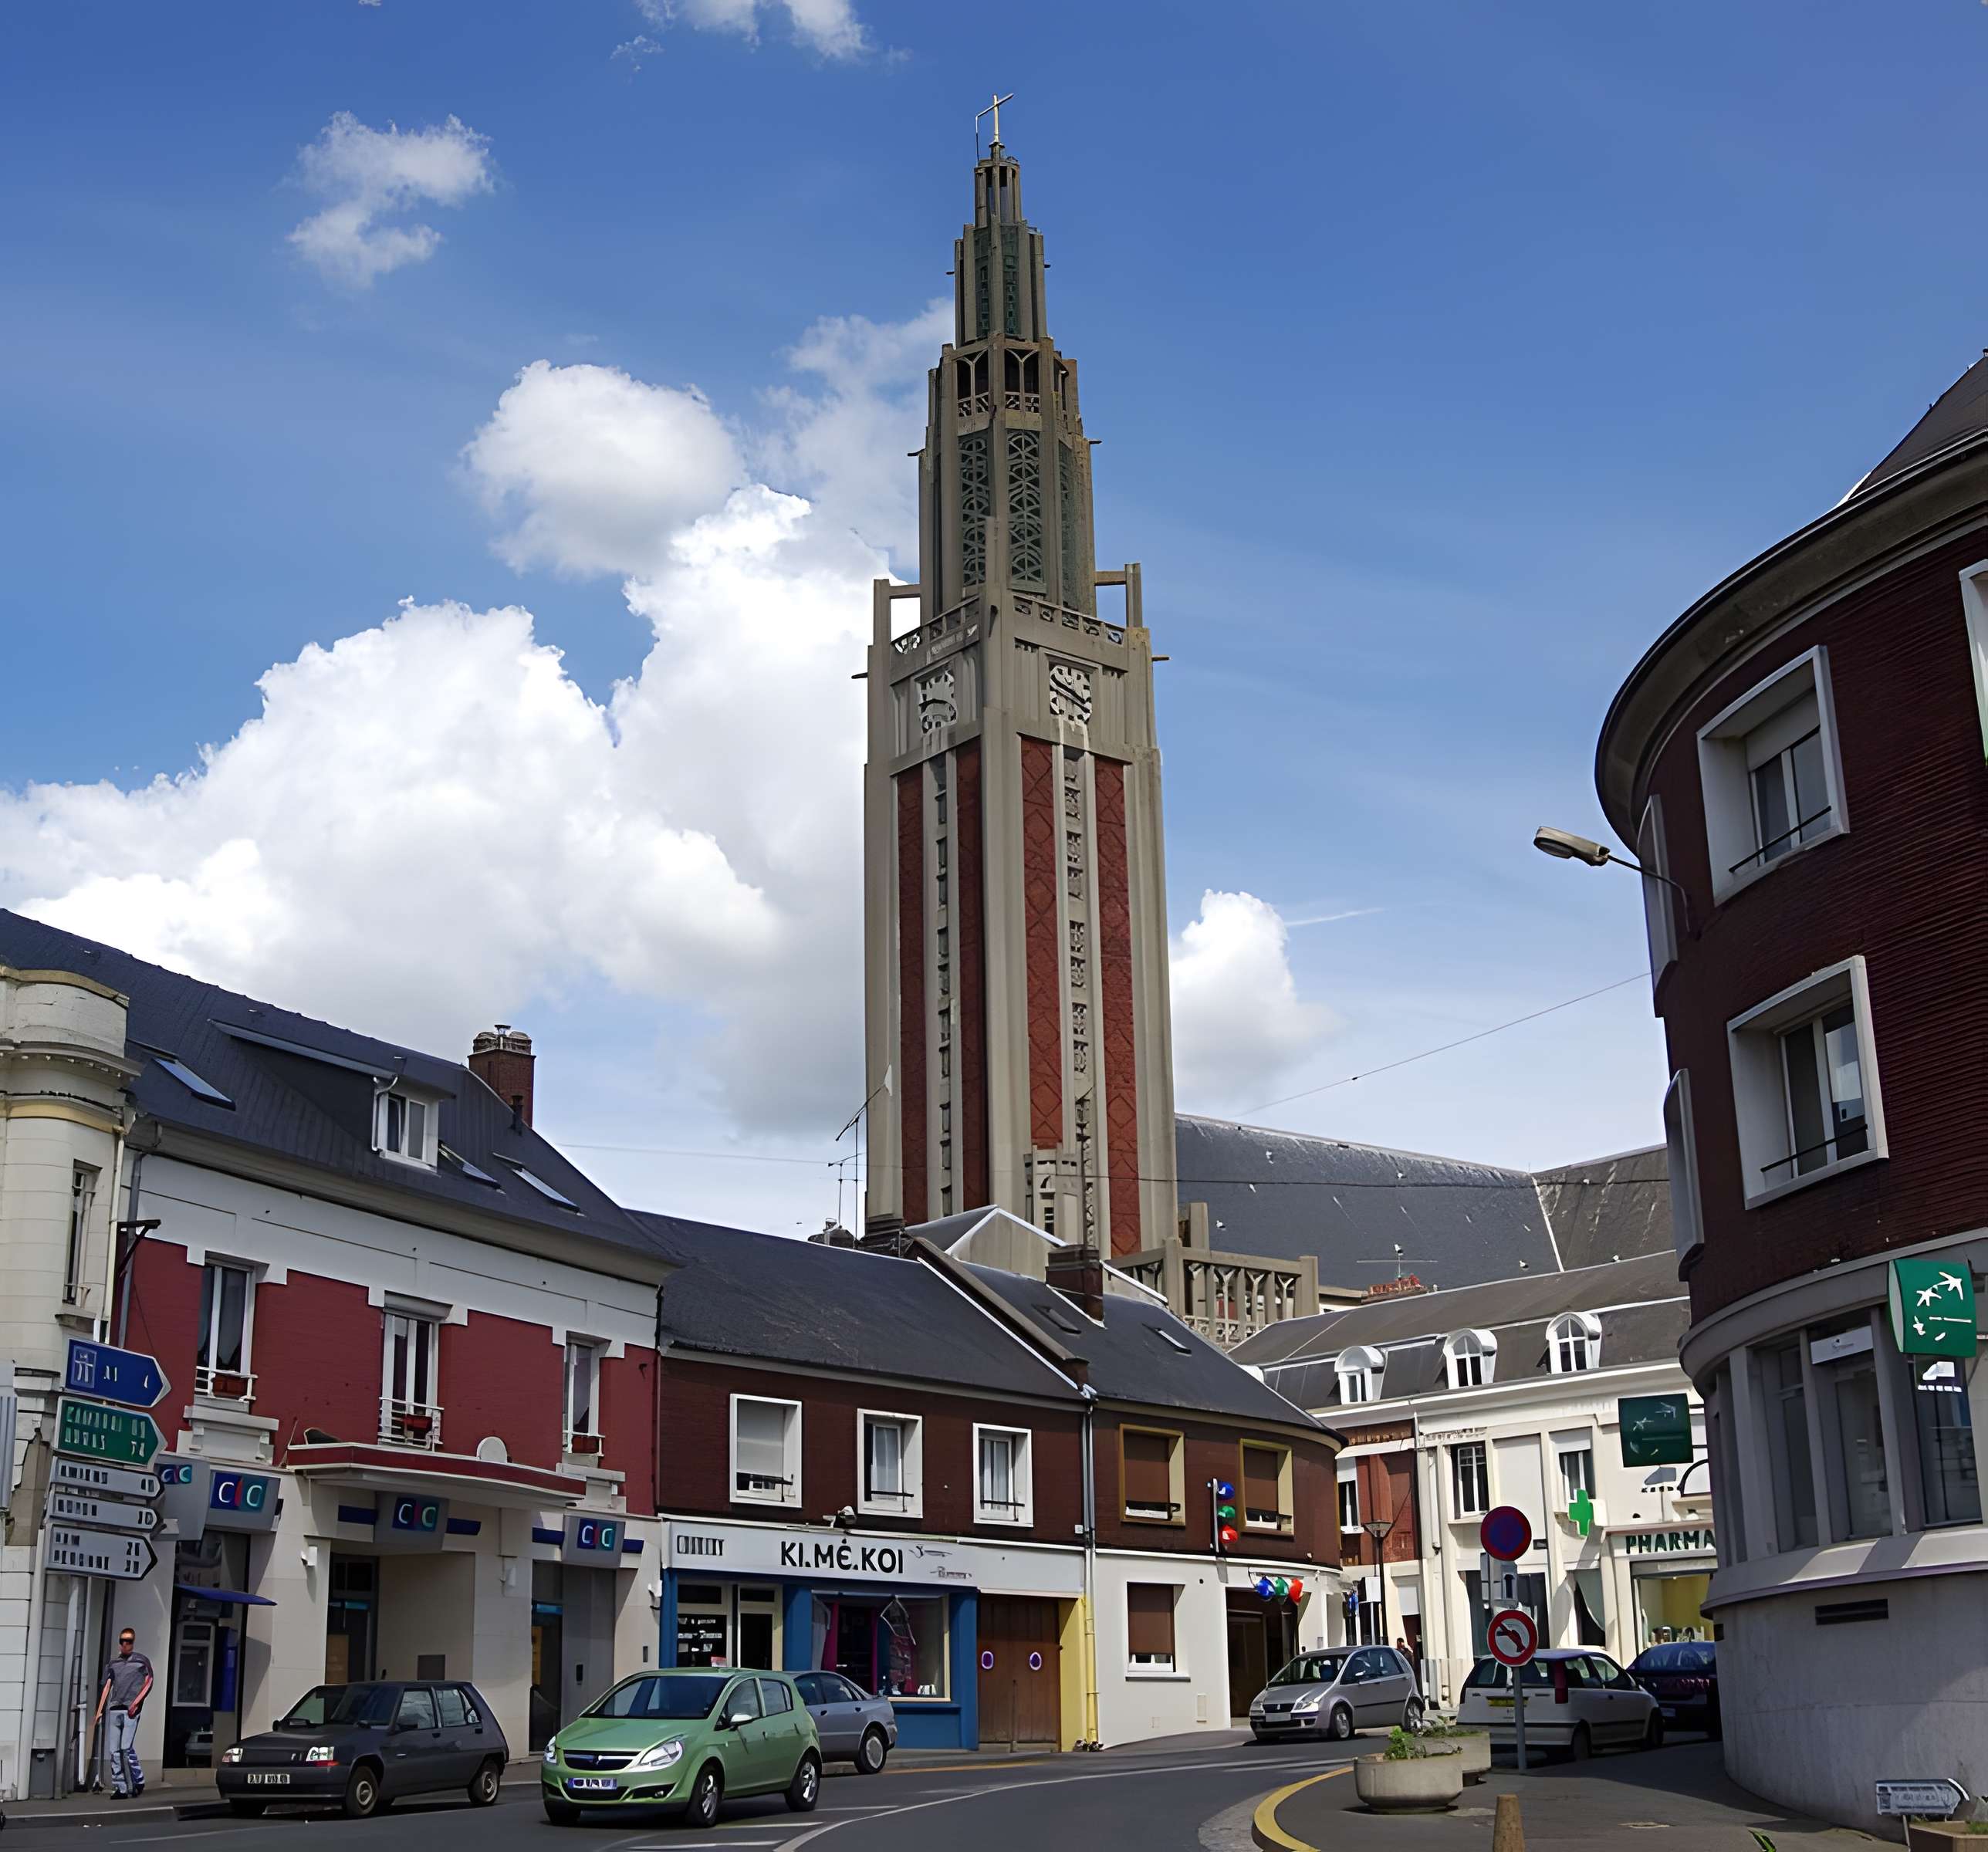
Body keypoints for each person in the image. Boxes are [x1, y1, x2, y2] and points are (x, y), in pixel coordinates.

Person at [96, 1628, 154, 1799]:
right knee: (114, 1751)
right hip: (114, 1708)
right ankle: (121, 1787)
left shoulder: (141, 1661)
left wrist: (136, 1703)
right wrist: (99, 1711)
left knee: (125, 1749)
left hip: (130, 1710)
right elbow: (107, 1686)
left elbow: (149, 1682)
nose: (125, 1644)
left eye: (128, 1641)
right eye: (122, 1641)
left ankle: (135, 1783)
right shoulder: (114, 1664)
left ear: (133, 1642)